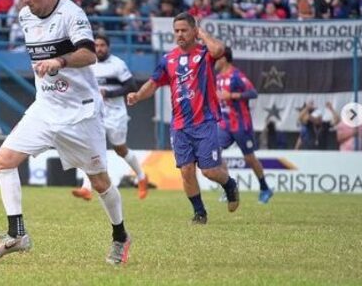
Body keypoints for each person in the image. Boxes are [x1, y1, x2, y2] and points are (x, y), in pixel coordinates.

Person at [0, 0, 131, 265]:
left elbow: (89, 54)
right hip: (46, 107)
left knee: (100, 183)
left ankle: (120, 236)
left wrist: (58, 61)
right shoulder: (25, 16)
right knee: (2, 161)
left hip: (80, 114)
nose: (24, 0)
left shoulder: (71, 14)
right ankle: (18, 234)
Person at [127, 12, 240, 225]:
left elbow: (219, 50)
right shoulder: (168, 59)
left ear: (193, 31)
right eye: (176, 31)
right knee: (186, 171)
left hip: (205, 122)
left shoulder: (205, 53)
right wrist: (138, 96)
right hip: (179, 125)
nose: (179, 34)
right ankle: (200, 214)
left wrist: (202, 33)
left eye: (184, 30)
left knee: (209, 171)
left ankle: (229, 185)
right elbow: (153, 83)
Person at [72, 34, 148, 201]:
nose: (99, 48)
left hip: (116, 114)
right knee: (92, 148)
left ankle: (142, 177)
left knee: (120, 149)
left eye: (102, 45)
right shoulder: (89, 64)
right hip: (95, 113)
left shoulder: (117, 64)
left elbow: (131, 86)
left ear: (108, 47)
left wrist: (109, 93)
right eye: (96, 45)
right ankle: (86, 188)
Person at [215, 48, 273, 204]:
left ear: (224, 59)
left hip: (241, 124)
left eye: (217, 58)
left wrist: (233, 95)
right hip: (224, 124)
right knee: (215, 152)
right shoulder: (219, 77)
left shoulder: (236, 76)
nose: (214, 60)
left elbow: (253, 93)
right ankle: (228, 189)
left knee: (250, 158)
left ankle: (265, 188)